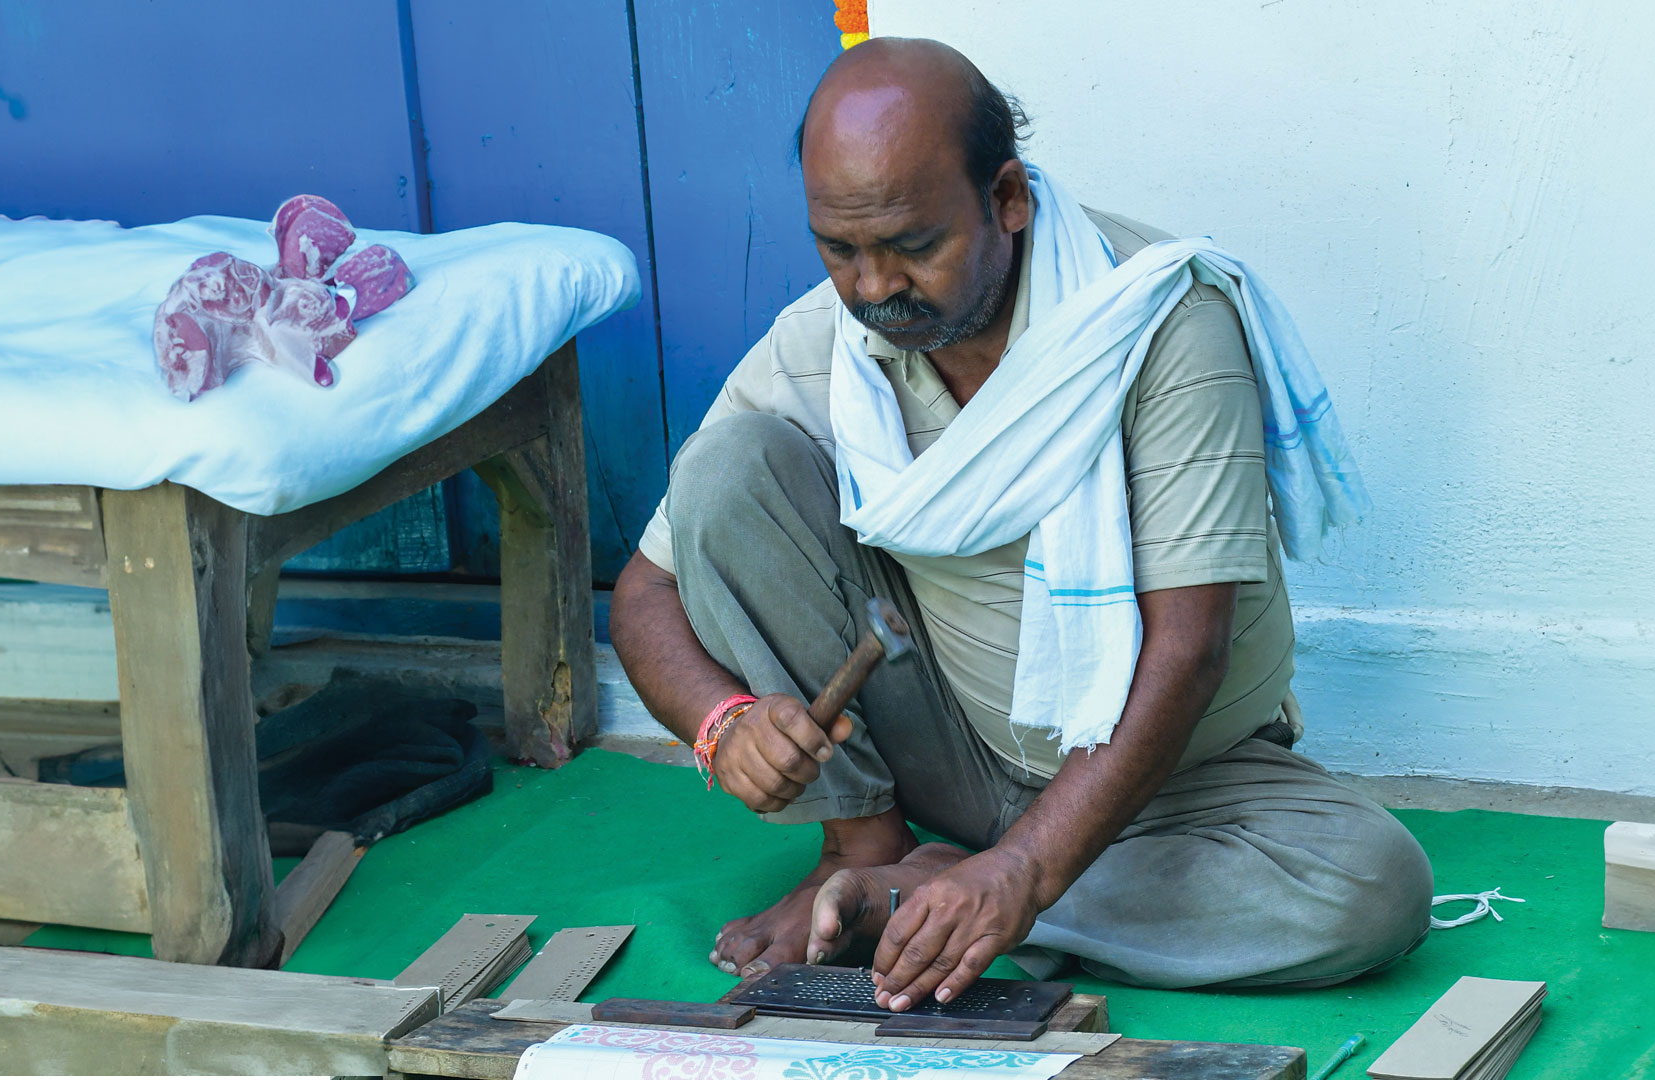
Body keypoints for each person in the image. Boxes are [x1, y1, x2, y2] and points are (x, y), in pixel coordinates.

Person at [609, 36, 1432, 1014]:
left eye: (914, 246)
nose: (874, 289)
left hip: (1169, 776)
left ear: (1008, 199)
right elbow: (642, 593)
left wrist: (1025, 875)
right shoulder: (833, 342)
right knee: (728, 467)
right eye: (841, 250)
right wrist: (721, 721)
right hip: (949, 748)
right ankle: (869, 852)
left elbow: (1188, 647)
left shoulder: (1157, 320)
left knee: (1373, 887)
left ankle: (931, 895)